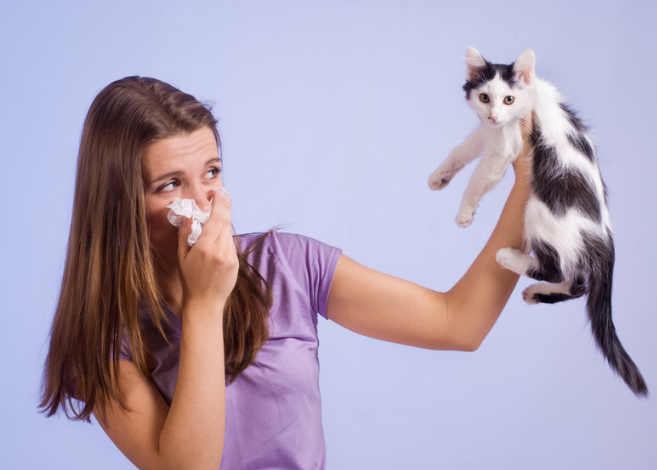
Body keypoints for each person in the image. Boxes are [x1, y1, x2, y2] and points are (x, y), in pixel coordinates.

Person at [40, 76, 531, 469]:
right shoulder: (106, 342)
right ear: (119, 205)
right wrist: (205, 305)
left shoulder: (287, 265)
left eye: (212, 172)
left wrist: (529, 185)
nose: (206, 202)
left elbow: (457, 323)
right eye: (171, 184)